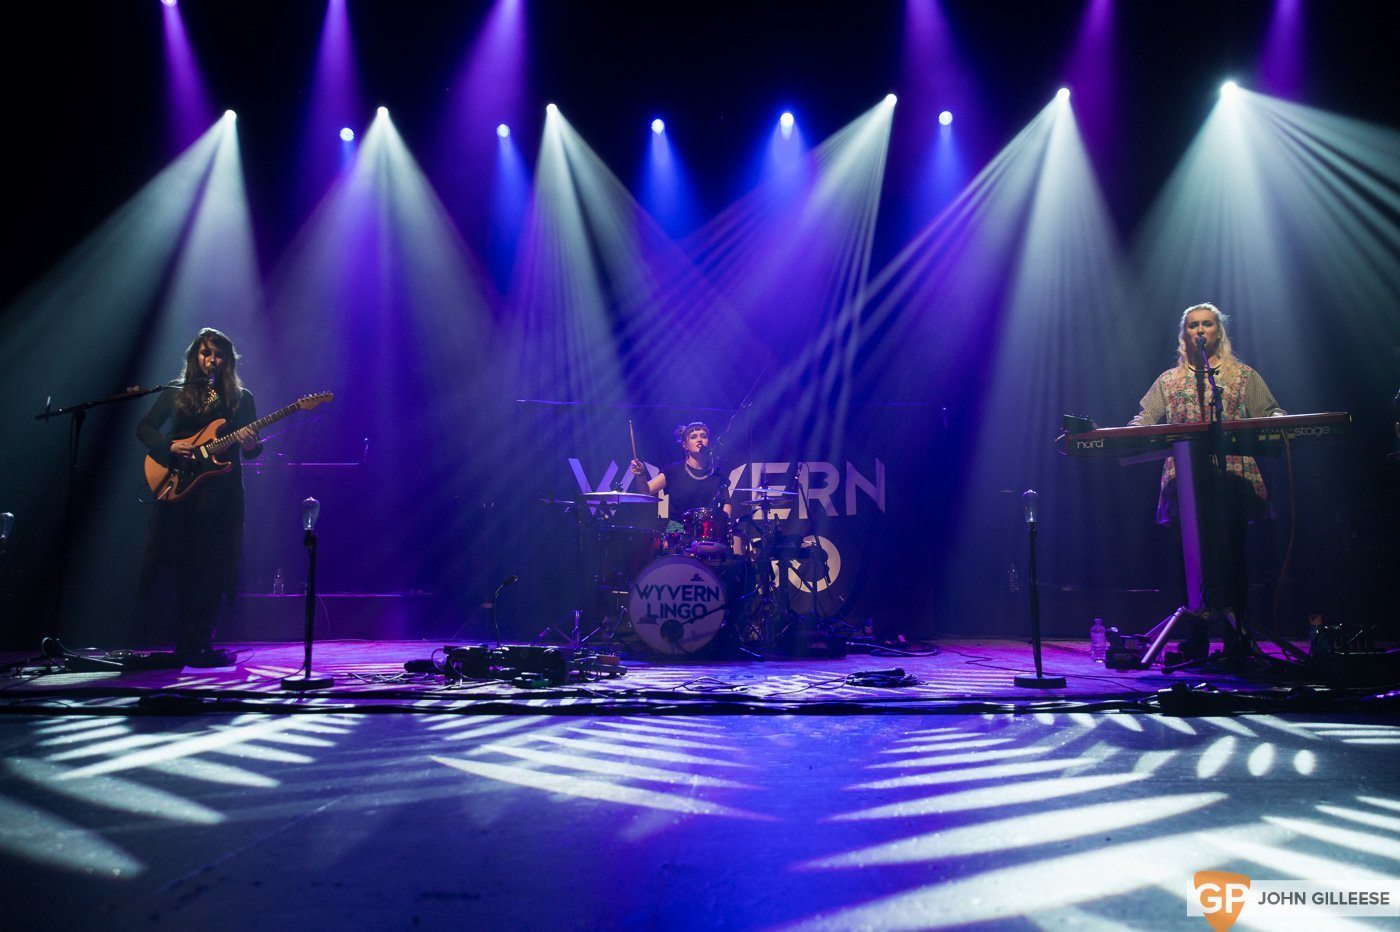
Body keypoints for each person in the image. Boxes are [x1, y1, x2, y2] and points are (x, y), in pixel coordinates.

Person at [1130, 303, 1285, 624]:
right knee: (1186, 556)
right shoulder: (1168, 381)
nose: (1200, 330)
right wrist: (1128, 432)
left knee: (1233, 553)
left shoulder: (1242, 375)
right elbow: (1144, 418)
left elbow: (1269, 413)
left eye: (1207, 324)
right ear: (1184, 334)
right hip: (1184, 480)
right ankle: (1193, 638)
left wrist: (1283, 422)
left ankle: (1237, 635)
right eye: (1193, 325)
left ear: (1219, 331)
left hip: (1232, 477)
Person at [136, 328, 262, 665]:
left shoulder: (241, 397)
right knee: (183, 562)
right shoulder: (176, 392)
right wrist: (169, 445)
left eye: (219, 354)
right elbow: (145, 427)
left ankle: (203, 638)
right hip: (179, 487)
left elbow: (251, 451)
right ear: (196, 356)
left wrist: (251, 444)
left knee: (215, 563)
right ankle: (182, 637)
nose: (212, 360)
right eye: (206, 353)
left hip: (222, 492)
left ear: (228, 360)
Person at [629, 421, 735, 550]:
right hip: (677, 529)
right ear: (685, 445)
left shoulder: (717, 473)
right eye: (694, 436)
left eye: (703, 436)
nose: (700, 439)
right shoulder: (673, 471)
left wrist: (724, 523)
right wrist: (641, 474)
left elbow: (726, 502)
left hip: (707, 531)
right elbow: (646, 491)